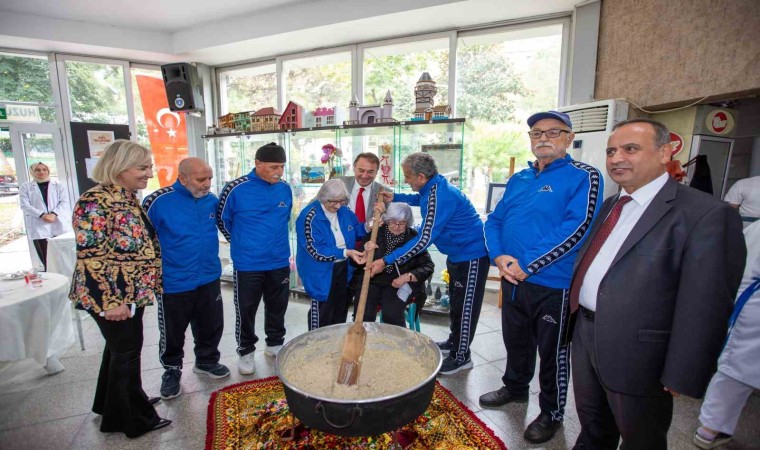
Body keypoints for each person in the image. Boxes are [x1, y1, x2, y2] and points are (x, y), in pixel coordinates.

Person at [569, 119, 746, 450]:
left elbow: (707, 302)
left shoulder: (704, 214)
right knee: (593, 427)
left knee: (641, 439)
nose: (616, 158)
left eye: (630, 149)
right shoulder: (612, 205)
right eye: (611, 151)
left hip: (641, 353)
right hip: (586, 336)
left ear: (665, 153)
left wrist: (683, 371)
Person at [480, 110, 603, 444]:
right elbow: (494, 220)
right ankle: (516, 388)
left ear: (568, 137)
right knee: (516, 340)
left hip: (554, 284)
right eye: (536, 133)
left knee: (552, 353)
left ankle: (552, 412)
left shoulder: (584, 176)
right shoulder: (520, 178)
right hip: (513, 279)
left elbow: (577, 228)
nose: (543, 138)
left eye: (553, 131)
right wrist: (501, 257)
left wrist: (529, 265)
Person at [69, 140, 171, 438]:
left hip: (130, 294)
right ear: (119, 168)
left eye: (148, 167)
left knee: (118, 352)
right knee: (126, 352)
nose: (149, 173)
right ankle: (135, 419)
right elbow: (91, 256)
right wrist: (110, 302)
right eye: (142, 167)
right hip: (109, 296)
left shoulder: (126, 197)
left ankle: (111, 407)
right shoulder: (95, 202)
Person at [370, 152, 489, 375]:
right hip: (458, 255)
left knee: (465, 308)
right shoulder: (431, 188)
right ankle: (455, 343)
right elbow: (419, 198)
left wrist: (386, 260)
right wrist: (394, 196)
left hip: (472, 256)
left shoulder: (441, 195)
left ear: (422, 176)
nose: (406, 180)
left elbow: (424, 239)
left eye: (408, 176)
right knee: (456, 303)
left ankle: (462, 357)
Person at [143, 158, 230, 400]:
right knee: (173, 330)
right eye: (201, 179)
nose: (207, 184)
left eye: (210, 178)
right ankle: (171, 370)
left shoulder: (211, 201)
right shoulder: (157, 201)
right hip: (173, 279)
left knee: (211, 324)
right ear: (182, 178)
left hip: (208, 275)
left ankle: (207, 360)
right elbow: (142, 241)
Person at [217, 142, 292, 376]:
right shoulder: (236, 188)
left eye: (281, 166)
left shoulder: (285, 188)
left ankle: (274, 343)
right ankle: (246, 350)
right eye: (273, 167)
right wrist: (241, 241)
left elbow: (285, 218)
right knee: (246, 309)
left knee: (278, 306)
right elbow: (222, 220)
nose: (278, 172)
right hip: (248, 263)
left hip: (279, 260)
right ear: (258, 164)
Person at [693, 220, 760, 449]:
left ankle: (709, 429)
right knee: (738, 367)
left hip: (746, 297)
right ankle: (709, 429)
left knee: (736, 367)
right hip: (752, 301)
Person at [296, 179, 377, 329]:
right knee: (322, 312)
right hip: (321, 270)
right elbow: (316, 251)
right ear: (323, 198)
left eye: (342, 201)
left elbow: (355, 231)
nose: (338, 205)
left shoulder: (344, 211)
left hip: (343, 267)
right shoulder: (309, 217)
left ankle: (335, 345)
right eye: (333, 202)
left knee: (340, 308)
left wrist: (367, 226)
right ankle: (318, 347)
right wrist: (345, 252)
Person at [358, 202, 434, 327]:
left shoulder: (414, 238)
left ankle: (398, 343)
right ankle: (366, 340)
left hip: (399, 282)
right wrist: (364, 252)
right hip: (374, 280)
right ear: (387, 220)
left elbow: (428, 266)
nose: (397, 226)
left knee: (391, 314)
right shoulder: (376, 233)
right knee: (363, 312)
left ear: (408, 223)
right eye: (393, 221)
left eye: (402, 223)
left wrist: (408, 276)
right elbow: (357, 262)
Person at [19, 162, 72, 270]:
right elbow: (25, 205)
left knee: (62, 255)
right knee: (45, 255)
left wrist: (53, 214)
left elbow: (64, 202)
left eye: (44, 169)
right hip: (39, 225)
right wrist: (42, 215)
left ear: (48, 171)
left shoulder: (58, 185)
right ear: (32, 172)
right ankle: (50, 277)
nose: (41, 172)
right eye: (38, 170)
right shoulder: (26, 187)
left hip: (57, 222)